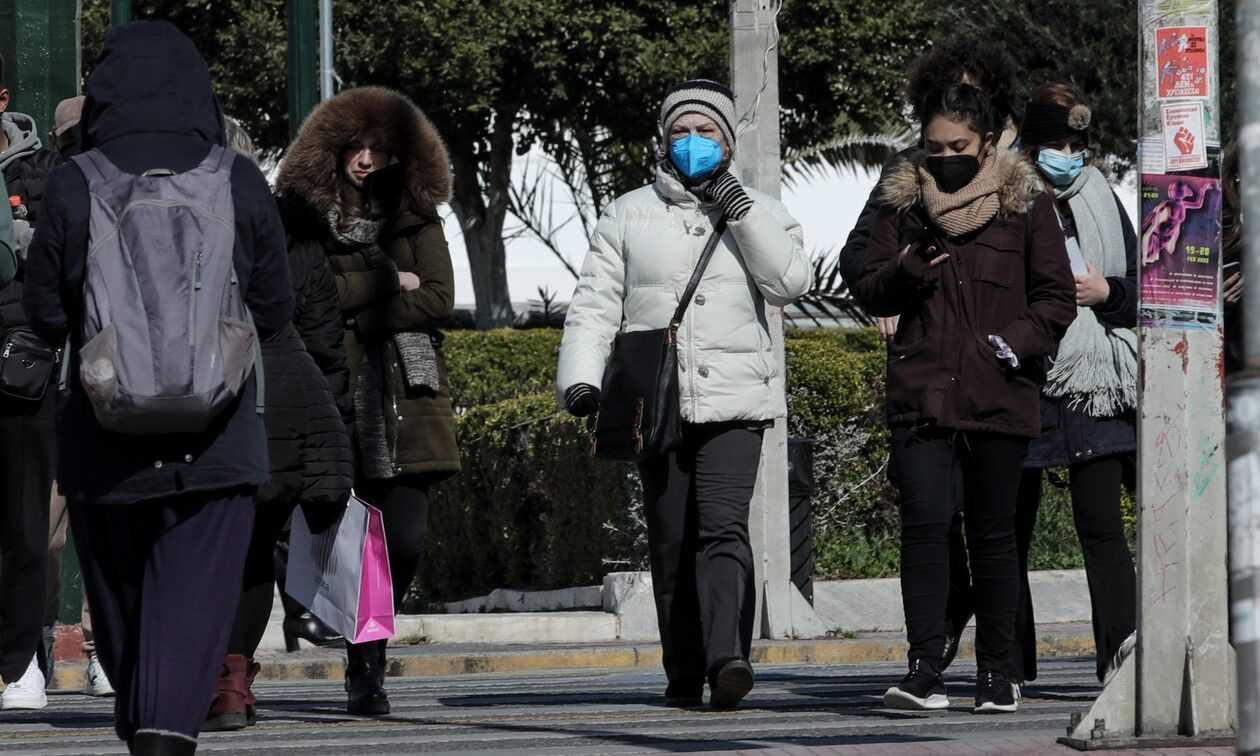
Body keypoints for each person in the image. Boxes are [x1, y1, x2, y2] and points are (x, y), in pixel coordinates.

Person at [23, 21, 294, 755]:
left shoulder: (76, 180)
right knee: (194, 598)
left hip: (104, 436)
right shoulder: (235, 177)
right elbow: (275, 307)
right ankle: (164, 735)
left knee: (122, 605)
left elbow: (45, 311)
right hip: (218, 438)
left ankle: (145, 723)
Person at [557, 79, 811, 710]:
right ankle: (684, 669)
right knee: (672, 538)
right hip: (656, 404)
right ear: (664, 139)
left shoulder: (762, 209)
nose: (693, 141)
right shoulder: (626, 212)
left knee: (723, 530)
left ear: (728, 141)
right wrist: (582, 379)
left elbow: (789, 282)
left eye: (706, 131)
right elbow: (593, 305)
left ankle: (728, 659)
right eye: (681, 131)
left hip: (736, 402)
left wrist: (739, 209)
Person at [853, 84, 1075, 714]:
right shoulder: (902, 202)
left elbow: (1055, 297)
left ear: (986, 144)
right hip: (922, 393)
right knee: (924, 527)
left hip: (999, 393)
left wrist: (1014, 343)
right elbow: (867, 284)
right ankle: (924, 670)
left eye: (959, 146)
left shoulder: (1027, 202)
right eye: (934, 147)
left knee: (993, 535)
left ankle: (998, 674)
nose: (946, 157)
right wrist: (905, 269)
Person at [275, 85, 461, 716]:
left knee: (403, 539)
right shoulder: (301, 219)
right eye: (356, 146)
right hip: (329, 389)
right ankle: (366, 664)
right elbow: (304, 294)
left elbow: (438, 297)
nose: (365, 159)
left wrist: (353, 304)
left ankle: (367, 644)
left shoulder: (416, 216)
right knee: (343, 533)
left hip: (405, 396)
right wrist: (385, 280)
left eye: (379, 149)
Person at [838, 39, 1021, 673]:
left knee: (1000, 526)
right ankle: (940, 639)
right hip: (931, 372)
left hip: (1008, 372)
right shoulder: (909, 175)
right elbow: (860, 259)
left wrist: (1027, 339)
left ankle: (1004, 667)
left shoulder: (1023, 180)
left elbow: (1054, 280)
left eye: (972, 93)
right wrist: (897, 281)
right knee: (931, 514)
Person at [202, 115, 353, 732]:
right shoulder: (289, 231)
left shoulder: (177, 218)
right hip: (282, 406)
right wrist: (328, 424)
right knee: (253, 549)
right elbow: (322, 338)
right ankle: (232, 684)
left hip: (198, 402)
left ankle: (200, 675)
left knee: (196, 547)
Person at [1011, 83, 1139, 687]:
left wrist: (1107, 293)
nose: (1067, 157)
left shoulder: (1102, 197)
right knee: (1008, 530)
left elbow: (1141, 285)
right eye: (1055, 146)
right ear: (1030, 146)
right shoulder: (1006, 199)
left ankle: (1123, 655)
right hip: (1026, 375)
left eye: (1075, 146)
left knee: (1102, 524)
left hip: (1097, 380)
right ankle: (1007, 667)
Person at [0, 51, 61, 712]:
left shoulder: (43, 171)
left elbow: (59, 249)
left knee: (24, 524)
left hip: (22, 365)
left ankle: (21, 663)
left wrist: (14, 232)